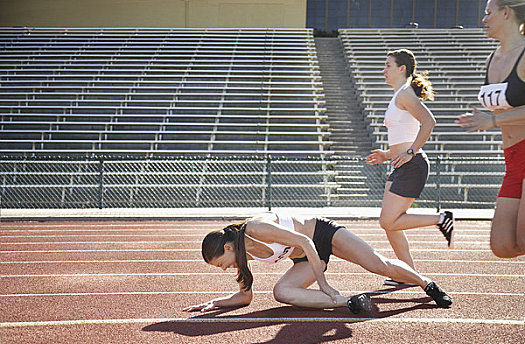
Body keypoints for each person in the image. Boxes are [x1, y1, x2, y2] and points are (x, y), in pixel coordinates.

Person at [182, 212, 452, 314]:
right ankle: (349, 302)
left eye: (221, 263)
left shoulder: (255, 229)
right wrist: (216, 303)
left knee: (378, 264)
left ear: (228, 247)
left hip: (321, 235)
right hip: (306, 257)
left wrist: (323, 283)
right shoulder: (242, 254)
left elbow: (306, 242)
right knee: (282, 293)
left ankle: (426, 283)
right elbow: (245, 297)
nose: (225, 268)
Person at [365, 49, 454, 285]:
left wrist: (411, 151)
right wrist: (386, 154)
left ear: (402, 69)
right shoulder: (398, 95)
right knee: (390, 226)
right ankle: (409, 275)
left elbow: (429, 122)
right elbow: (401, 133)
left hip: (412, 164)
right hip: (401, 163)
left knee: (388, 221)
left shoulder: (405, 94)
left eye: (388, 66)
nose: (384, 70)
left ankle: (441, 218)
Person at [456, 0, 525, 258]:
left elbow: (501, 115)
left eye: (488, 13)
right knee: (503, 245)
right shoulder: (491, 59)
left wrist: (493, 121)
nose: (483, 20)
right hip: (513, 159)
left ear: (506, 12)